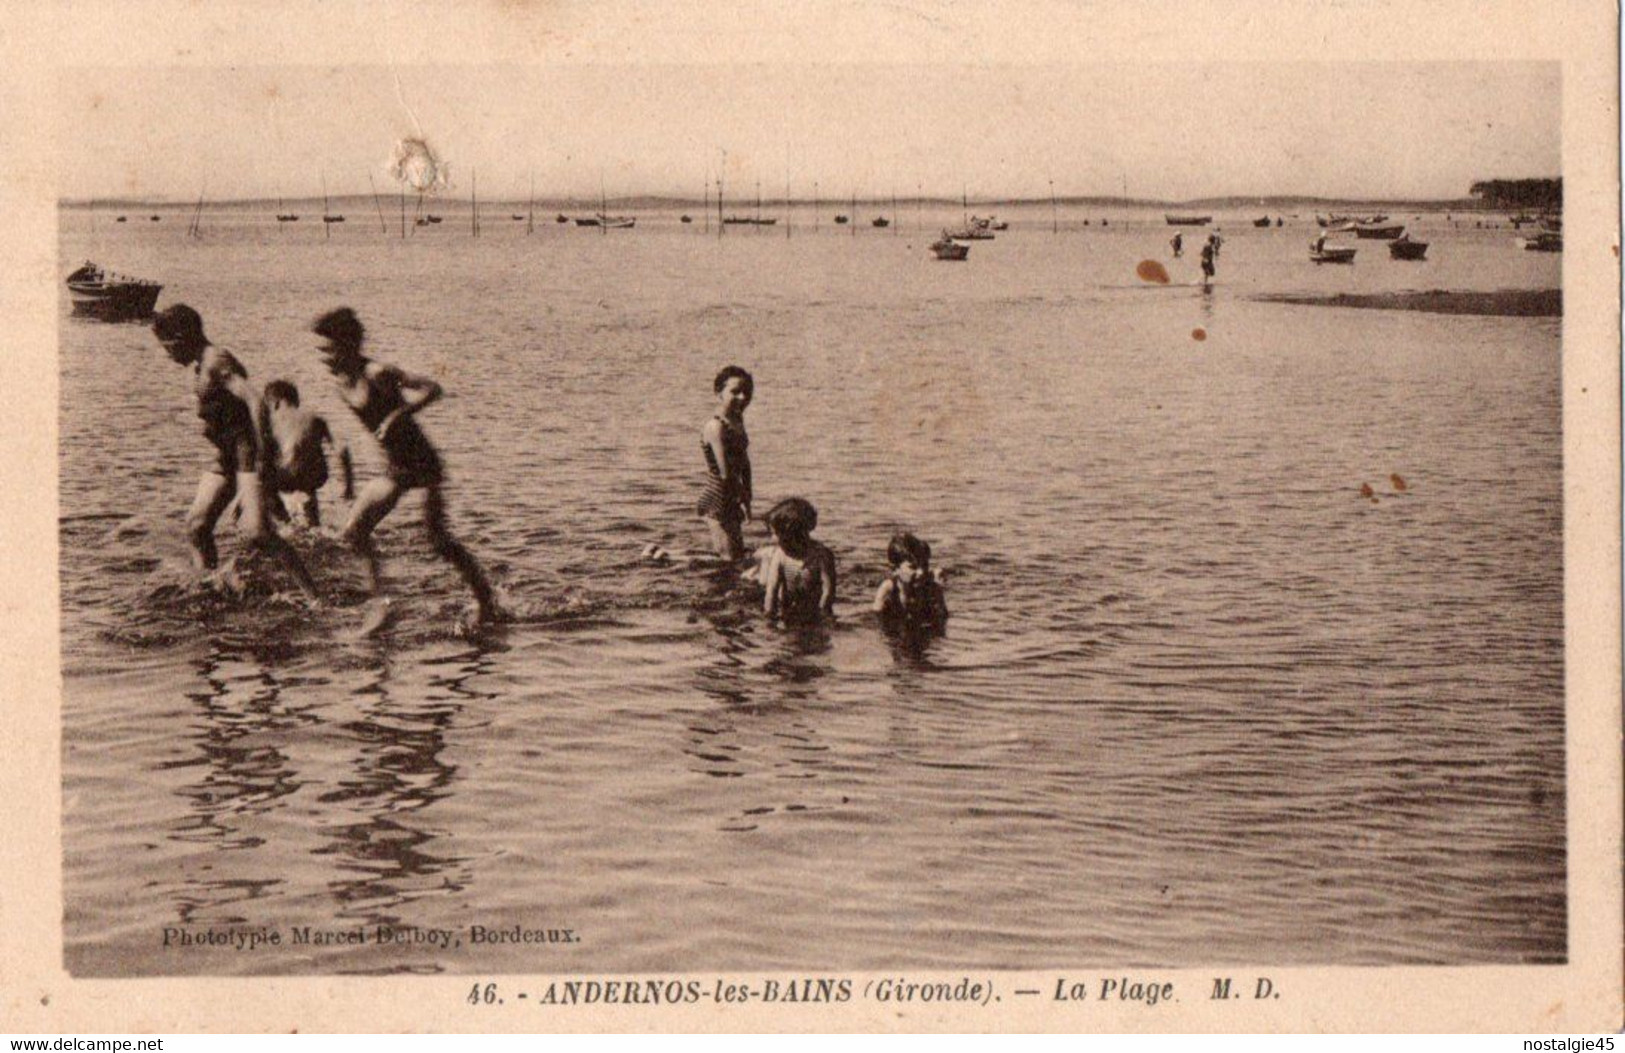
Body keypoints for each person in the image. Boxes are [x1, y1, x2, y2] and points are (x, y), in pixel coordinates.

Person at [312, 307, 498, 625]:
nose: (324, 358)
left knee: (438, 541)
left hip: (423, 463)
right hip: (394, 467)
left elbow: (434, 389)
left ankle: (485, 600)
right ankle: (382, 607)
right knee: (354, 533)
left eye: (328, 350)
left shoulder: (378, 373)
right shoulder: (341, 383)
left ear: (348, 345)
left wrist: (400, 414)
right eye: (321, 351)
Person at [151, 304, 318, 599]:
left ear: (179, 337)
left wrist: (263, 454)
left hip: (246, 454)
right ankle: (212, 588)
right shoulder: (201, 363)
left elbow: (255, 400)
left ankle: (315, 597)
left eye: (167, 347)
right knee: (197, 527)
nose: (167, 355)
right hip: (225, 454)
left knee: (259, 533)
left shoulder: (216, 360)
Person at [262, 379, 352, 527]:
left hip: (283, 478)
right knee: (309, 497)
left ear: (275, 403)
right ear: (296, 400)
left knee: (264, 486)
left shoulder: (270, 421)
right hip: (313, 477)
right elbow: (343, 449)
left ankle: (285, 521)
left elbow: (259, 458)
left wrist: (244, 496)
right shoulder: (315, 418)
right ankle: (312, 525)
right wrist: (349, 486)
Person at [697, 365, 754, 561]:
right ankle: (663, 556)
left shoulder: (736, 420)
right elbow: (726, 473)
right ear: (718, 393)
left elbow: (744, 462)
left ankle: (666, 554)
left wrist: (748, 496)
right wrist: (742, 496)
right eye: (735, 392)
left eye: (747, 392)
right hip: (718, 497)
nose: (742, 397)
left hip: (732, 494)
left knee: (734, 555)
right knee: (729, 560)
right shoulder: (716, 427)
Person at [760, 497, 836, 624]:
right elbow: (771, 591)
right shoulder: (780, 555)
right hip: (787, 609)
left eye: (774, 534)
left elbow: (828, 591)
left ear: (791, 534)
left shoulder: (821, 555)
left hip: (814, 611)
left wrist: (823, 615)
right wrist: (769, 617)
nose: (771, 538)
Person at [873, 532, 948, 631]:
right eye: (913, 567)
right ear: (895, 569)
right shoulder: (888, 589)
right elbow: (877, 622)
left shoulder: (932, 588)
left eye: (924, 566)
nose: (921, 572)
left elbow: (943, 619)